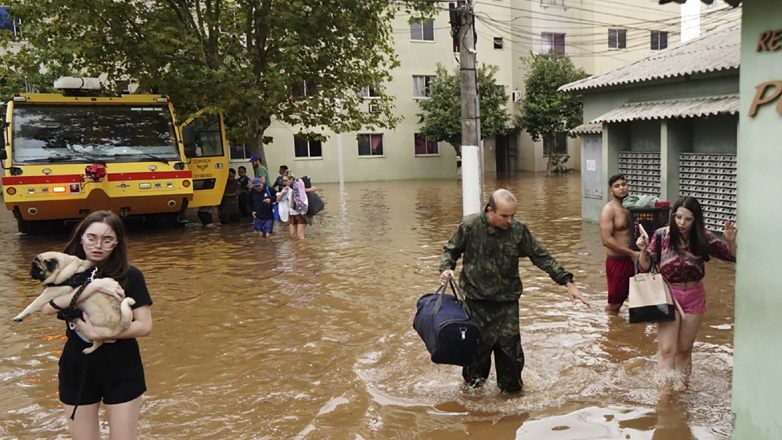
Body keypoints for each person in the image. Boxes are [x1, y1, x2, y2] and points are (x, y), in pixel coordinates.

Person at [439, 189, 590, 393]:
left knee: (511, 361)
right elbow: (451, 250)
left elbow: (541, 256)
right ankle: (474, 412)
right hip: (476, 305)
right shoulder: (470, 226)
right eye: (504, 216)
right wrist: (447, 268)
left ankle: (512, 410)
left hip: (507, 306)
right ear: (490, 210)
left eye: (513, 215)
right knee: (475, 364)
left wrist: (567, 282)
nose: (509, 220)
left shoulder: (518, 231)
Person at [40, 210, 152, 440]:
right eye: (91, 238)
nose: (98, 245)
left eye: (107, 239)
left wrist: (99, 333)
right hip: (76, 366)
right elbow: (46, 308)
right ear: (81, 237)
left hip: (122, 366)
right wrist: (92, 287)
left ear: (117, 243)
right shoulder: (64, 274)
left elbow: (144, 326)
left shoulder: (131, 275)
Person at [636, 196, 736, 392]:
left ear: (695, 221)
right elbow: (645, 269)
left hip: (694, 295)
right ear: (673, 216)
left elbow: (733, 256)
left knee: (683, 350)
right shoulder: (661, 235)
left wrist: (731, 242)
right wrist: (643, 251)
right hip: (667, 295)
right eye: (678, 217)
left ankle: (682, 391)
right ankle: (665, 396)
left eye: (687, 219)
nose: (681, 223)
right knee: (666, 349)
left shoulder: (703, 238)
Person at [599, 174, 639, 312]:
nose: (621, 188)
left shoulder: (634, 207)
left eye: (624, 184)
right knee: (616, 304)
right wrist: (631, 253)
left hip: (636, 259)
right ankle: (610, 328)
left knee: (640, 300)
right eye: (617, 186)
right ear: (611, 191)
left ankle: (634, 331)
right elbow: (606, 240)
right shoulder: (608, 210)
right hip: (618, 261)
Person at [276, 170, 309, 239]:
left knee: (300, 235)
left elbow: (312, 189)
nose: (284, 182)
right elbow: (278, 199)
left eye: (286, 180)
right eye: (283, 181)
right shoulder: (286, 189)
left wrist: (307, 190)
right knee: (292, 235)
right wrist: (282, 193)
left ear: (291, 179)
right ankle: (295, 249)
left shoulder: (299, 186)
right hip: (292, 213)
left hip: (300, 213)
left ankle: (303, 248)